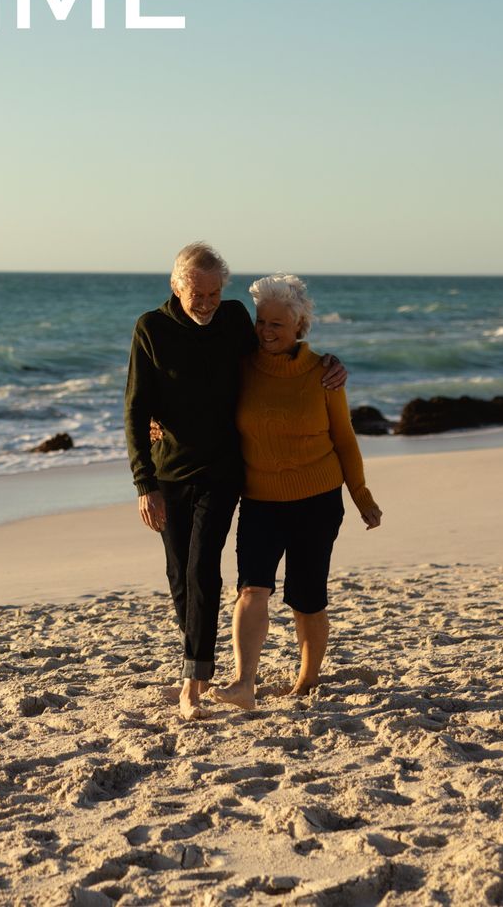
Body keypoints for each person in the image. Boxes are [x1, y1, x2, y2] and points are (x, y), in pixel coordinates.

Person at [124, 245, 346, 721]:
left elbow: (278, 355)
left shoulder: (231, 320)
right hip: (170, 472)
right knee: (179, 575)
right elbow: (136, 408)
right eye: (196, 293)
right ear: (175, 286)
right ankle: (196, 660)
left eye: (214, 292)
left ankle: (193, 684)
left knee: (204, 567)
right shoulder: (152, 329)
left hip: (224, 472)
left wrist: (326, 362)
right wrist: (145, 483)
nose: (206, 301)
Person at [212, 273, 382, 711]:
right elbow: (199, 393)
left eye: (277, 326)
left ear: (298, 329)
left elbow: (344, 438)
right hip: (260, 501)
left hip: (318, 501)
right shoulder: (240, 365)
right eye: (261, 322)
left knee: (306, 600)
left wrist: (361, 495)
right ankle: (243, 682)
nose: (266, 332)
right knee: (251, 589)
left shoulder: (323, 374)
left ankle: (306, 681)